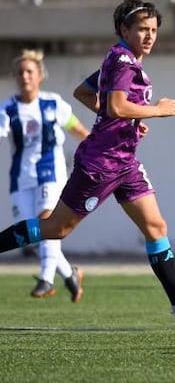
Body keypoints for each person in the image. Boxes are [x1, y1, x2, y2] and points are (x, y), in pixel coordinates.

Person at [0, 0, 175, 327]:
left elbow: (85, 93)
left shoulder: (120, 58)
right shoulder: (124, 62)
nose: (149, 36)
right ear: (123, 29)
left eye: (154, 30)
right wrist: (155, 110)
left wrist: (131, 122)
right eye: (142, 29)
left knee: (156, 227)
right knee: (56, 228)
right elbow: (117, 106)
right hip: (102, 163)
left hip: (125, 162)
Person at [0, 49, 89, 301]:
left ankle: (46, 279)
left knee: (46, 220)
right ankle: (69, 273)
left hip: (51, 173)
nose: (24, 76)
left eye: (29, 71)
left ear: (40, 75)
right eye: (20, 72)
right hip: (21, 178)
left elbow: (79, 130)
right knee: (32, 233)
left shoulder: (54, 104)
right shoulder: (8, 108)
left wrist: (102, 149)